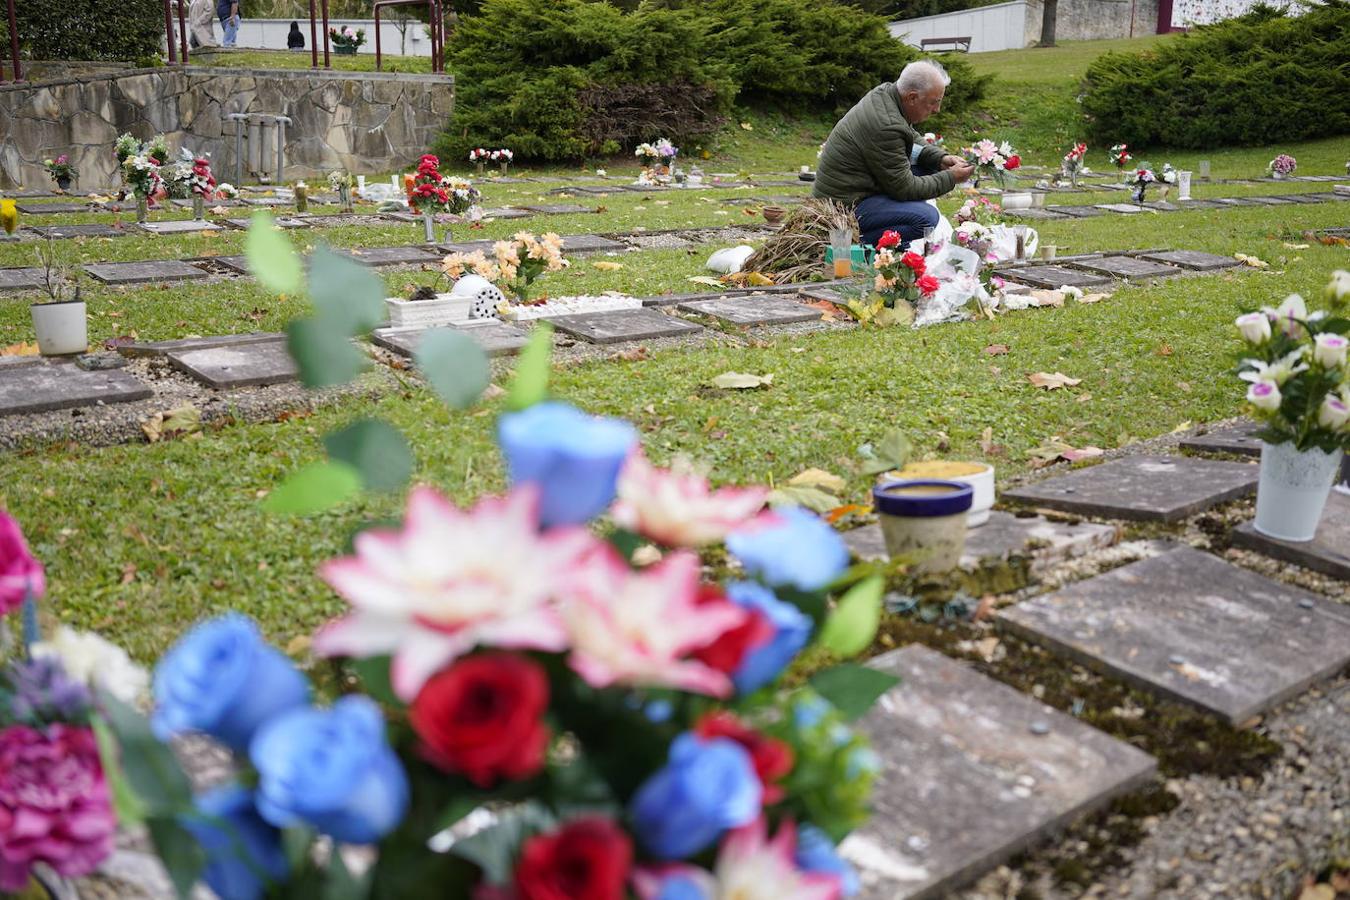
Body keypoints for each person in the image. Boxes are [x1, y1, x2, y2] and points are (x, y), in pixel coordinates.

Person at [812, 60, 974, 249]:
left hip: (855, 191)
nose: (937, 109)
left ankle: (888, 240)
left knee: (927, 167)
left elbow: (909, 135)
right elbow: (905, 189)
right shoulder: (886, 125)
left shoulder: (887, 94)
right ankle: (852, 244)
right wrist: (951, 177)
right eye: (933, 102)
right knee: (925, 219)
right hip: (842, 208)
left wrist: (940, 159)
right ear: (912, 98)